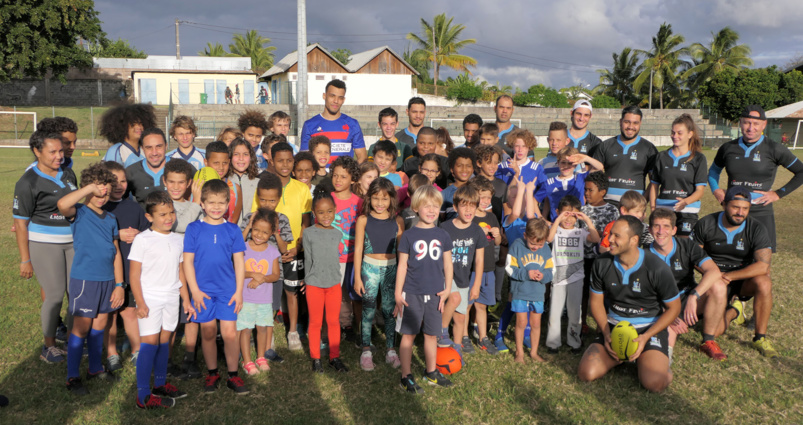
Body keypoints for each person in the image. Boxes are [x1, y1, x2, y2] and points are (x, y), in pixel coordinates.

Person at [577, 216, 680, 393]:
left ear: (634, 240)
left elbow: (674, 308)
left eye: (616, 236)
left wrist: (646, 337)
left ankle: (660, 357)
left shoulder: (657, 267)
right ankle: (624, 356)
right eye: (610, 234)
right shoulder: (601, 263)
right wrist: (607, 333)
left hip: (647, 329)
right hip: (614, 326)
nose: (609, 239)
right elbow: (596, 302)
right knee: (586, 373)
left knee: (655, 383)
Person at [57, 163, 124, 395]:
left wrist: (119, 285)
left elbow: (115, 252)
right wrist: (89, 189)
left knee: (100, 326)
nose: (101, 196)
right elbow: (62, 204)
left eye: (106, 191)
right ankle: (72, 376)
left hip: (108, 282)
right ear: (86, 190)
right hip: (85, 280)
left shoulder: (111, 218)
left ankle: (95, 368)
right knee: (81, 328)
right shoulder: (79, 212)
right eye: (97, 191)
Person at [13, 130, 77, 364]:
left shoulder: (68, 173)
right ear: (37, 151)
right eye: (52, 151)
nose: (59, 155)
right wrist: (25, 259)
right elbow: (20, 224)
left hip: (72, 243)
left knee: (76, 294)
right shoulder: (27, 181)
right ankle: (49, 346)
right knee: (54, 295)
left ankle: (73, 341)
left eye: (61, 150)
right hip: (44, 244)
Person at [690, 186, 777, 357]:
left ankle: (760, 337)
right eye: (735, 207)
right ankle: (734, 311)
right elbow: (694, 257)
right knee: (713, 333)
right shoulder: (706, 223)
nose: (740, 212)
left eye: (745, 208)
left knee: (764, 281)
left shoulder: (756, 228)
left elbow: (763, 266)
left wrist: (728, 276)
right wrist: (714, 274)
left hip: (742, 281)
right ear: (724, 204)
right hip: (714, 281)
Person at [129, 191, 195, 409]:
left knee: (164, 342)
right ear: (150, 217)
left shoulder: (178, 239)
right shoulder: (142, 239)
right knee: (149, 344)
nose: (168, 218)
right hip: (150, 298)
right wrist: (140, 302)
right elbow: (134, 275)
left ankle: (159, 384)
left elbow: (180, 272)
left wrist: (185, 299)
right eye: (162, 214)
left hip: (171, 298)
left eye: (171, 213)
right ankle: (143, 395)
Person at [183, 179, 248, 395]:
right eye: (211, 202)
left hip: (228, 291)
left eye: (221, 203)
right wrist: (195, 291)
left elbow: (239, 262)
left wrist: (239, 292)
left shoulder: (232, 230)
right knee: (208, 333)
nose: (216, 207)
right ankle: (212, 373)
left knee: (230, 333)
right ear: (202, 203)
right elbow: (188, 263)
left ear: (228, 204)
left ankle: (233, 375)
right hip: (202, 292)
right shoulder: (193, 228)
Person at [708, 105, 803, 252]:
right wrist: (716, 190)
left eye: (756, 123)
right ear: (740, 123)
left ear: (764, 124)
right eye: (746, 122)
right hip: (733, 211)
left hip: (761, 211)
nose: (751, 127)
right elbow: (713, 171)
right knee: (732, 258)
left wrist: (778, 194)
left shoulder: (774, 148)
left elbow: (801, 172)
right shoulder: (728, 148)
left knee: (761, 263)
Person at [253, 143, 312, 354]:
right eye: (280, 160)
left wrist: (298, 247)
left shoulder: (302, 188)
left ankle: (293, 331)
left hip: (293, 250)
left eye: (289, 160)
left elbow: (306, 222)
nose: (285, 165)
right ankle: (258, 330)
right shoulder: (264, 187)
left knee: (292, 291)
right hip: (267, 250)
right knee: (265, 290)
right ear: (271, 160)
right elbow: (256, 218)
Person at [395, 185, 454, 393]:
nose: (431, 210)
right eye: (426, 206)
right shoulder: (409, 236)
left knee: (431, 335)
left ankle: (431, 372)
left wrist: (447, 289)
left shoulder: (443, 234)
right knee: (409, 335)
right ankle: (406, 375)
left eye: (435, 206)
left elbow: (448, 264)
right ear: (416, 208)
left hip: (436, 293)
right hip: (411, 293)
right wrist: (397, 293)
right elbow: (402, 265)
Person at [647, 208, 726, 361]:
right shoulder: (643, 255)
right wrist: (668, 315)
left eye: (666, 226)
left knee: (719, 286)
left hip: (687, 298)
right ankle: (664, 362)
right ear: (650, 229)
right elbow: (644, 295)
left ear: (674, 230)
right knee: (669, 333)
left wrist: (693, 295)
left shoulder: (686, 245)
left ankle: (708, 341)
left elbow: (714, 271)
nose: (661, 231)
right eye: (656, 226)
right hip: (663, 305)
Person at [101, 161, 149, 372]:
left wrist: (140, 236)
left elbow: (148, 232)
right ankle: (111, 353)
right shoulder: (98, 208)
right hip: (106, 271)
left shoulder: (133, 207)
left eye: (123, 180)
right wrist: (116, 235)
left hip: (129, 269)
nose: (119, 185)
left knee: (129, 311)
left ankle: (137, 350)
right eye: (114, 181)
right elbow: (89, 236)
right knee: (110, 313)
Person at [352, 178, 404, 371]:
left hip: (392, 269)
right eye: (375, 198)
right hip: (369, 268)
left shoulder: (397, 221)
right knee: (368, 308)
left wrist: (401, 277)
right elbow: (358, 249)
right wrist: (357, 277)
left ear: (392, 199)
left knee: (390, 310)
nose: (380, 203)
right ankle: (366, 350)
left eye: (384, 198)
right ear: (369, 198)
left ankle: (391, 350)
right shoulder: (363, 220)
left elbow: (402, 252)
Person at [161, 158, 203, 379]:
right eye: (171, 182)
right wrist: (196, 202)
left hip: (191, 269)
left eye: (181, 182)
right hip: (168, 271)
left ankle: (190, 357)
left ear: (189, 183)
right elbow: (180, 225)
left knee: (191, 313)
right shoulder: (162, 204)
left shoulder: (193, 205)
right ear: (164, 181)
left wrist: (196, 204)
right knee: (170, 317)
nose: (176, 187)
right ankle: (165, 360)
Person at [545, 197, 600, 354]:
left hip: (576, 277)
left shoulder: (580, 232)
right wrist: (557, 220)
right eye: (565, 215)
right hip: (558, 278)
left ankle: (574, 342)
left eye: (573, 216)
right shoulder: (555, 231)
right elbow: (548, 238)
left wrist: (587, 220)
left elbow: (595, 239)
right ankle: (553, 343)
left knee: (575, 312)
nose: (568, 219)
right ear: (558, 213)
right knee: (555, 312)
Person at [303, 188, 350, 373]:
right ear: (314, 213)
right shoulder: (308, 233)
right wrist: (307, 281)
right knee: (315, 322)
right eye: (321, 212)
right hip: (314, 284)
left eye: (329, 211)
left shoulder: (337, 233)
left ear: (335, 210)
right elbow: (308, 260)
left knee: (333, 321)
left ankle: (334, 357)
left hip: (333, 285)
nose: (326, 216)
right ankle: (316, 359)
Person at [438, 185, 488, 360]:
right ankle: (442, 331)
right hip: (445, 278)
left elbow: (479, 260)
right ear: (455, 206)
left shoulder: (477, 231)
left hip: (464, 280)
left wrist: (476, 285)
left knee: (460, 319)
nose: (468, 210)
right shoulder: (444, 228)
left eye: (472, 205)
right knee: (454, 298)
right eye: (464, 205)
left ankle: (456, 352)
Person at [238, 208, 281, 375]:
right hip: (246, 298)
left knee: (262, 328)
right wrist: (251, 274)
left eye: (264, 232)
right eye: (255, 229)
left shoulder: (272, 251)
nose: (259, 235)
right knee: (246, 329)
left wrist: (262, 278)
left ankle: (261, 357)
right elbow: (237, 270)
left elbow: (276, 275)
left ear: (271, 233)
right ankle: (247, 361)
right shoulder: (244, 248)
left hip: (264, 300)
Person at [649, 114, 708, 237]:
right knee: (662, 245)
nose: (675, 136)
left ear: (690, 134)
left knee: (683, 246)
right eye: (673, 132)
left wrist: (686, 201)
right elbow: (654, 186)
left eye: (679, 133)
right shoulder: (661, 157)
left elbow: (700, 191)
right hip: (663, 210)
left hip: (687, 211)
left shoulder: (698, 158)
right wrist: (653, 209)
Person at [506, 218, 554, 363]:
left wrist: (543, 276)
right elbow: (509, 268)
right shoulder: (517, 245)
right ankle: (519, 352)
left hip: (538, 293)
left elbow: (551, 270)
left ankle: (534, 352)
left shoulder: (545, 248)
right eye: (532, 243)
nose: (535, 247)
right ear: (525, 235)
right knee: (521, 322)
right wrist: (525, 275)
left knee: (536, 324)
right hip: (520, 291)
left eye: (539, 244)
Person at [592, 105, 658, 206]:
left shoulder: (649, 149)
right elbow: (594, 176)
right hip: (607, 203)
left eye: (635, 123)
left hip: (634, 205)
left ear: (640, 124)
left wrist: (642, 203)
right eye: (627, 122)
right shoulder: (605, 145)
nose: (630, 127)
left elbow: (654, 183)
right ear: (620, 122)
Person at [466, 178, 501, 354]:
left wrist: (496, 235)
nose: (486, 201)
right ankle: (464, 336)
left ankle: (483, 337)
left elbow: (499, 242)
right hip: (471, 269)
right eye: (482, 197)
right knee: (467, 305)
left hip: (488, 268)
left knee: (482, 306)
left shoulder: (492, 216)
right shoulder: (469, 218)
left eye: (489, 198)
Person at [580, 172, 619, 331]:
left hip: (605, 260)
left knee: (604, 293)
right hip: (584, 259)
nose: (587, 193)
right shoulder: (582, 211)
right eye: (585, 190)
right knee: (584, 292)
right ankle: (581, 323)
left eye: (590, 190)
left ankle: (602, 326)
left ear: (602, 191)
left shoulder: (612, 211)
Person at [330, 156, 362, 336]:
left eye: (343, 176)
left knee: (353, 295)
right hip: (332, 258)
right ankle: (336, 325)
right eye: (335, 175)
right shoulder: (327, 199)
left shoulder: (359, 202)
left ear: (353, 179)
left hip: (352, 258)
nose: (338, 180)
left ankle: (355, 327)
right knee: (334, 295)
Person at [300, 79, 367, 163]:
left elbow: (362, 157)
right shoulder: (309, 125)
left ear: (343, 100)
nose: (336, 101)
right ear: (324, 96)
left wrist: (350, 174)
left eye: (340, 98)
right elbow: (305, 160)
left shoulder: (353, 124)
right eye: (332, 96)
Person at [536, 146, 604, 221]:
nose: (566, 166)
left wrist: (585, 158)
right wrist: (542, 218)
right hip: (557, 225)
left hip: (578, 224)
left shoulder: (580, 178)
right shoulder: (549, 183)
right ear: (558, 163)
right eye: (563, 162)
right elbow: (535, 200)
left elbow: (599, 167)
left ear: (575, 164)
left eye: (570, 163)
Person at [199, 141, 243, 225]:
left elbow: (233, 222)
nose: (221, 167)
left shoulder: (235, 189)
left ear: (229, 162)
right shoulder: (197, 187)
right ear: (206, 162)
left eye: (225, 163)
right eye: (216, 163)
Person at [126, 128, 167, 208]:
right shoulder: (131, 172)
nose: (154, 153)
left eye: (159, 146)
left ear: (166, 146)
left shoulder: (181, 168)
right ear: (142, 148)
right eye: (149, 147)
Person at [228, 138, 260, 228]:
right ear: (230, 157)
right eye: (236, 154)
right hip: (229, 232)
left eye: (245, 154)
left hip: (252, 236)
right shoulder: (224, 182)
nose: (241, 158)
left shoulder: (258, 183)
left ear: (251, 157)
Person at [372, 107, 413, 172]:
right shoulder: (373, 147)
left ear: (397, 124)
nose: (389, 128)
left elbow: (410, 170)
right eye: (385, 124)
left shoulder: (405, 147)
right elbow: (371, 170)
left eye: (392, 124)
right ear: (379, 124)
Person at [440, 147, 476, 219]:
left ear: (473, 169)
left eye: (468, 166)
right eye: (460, 166)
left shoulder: (478, 191)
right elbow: (442, 220)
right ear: (452, 169)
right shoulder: (444, 194)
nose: (464, 169)